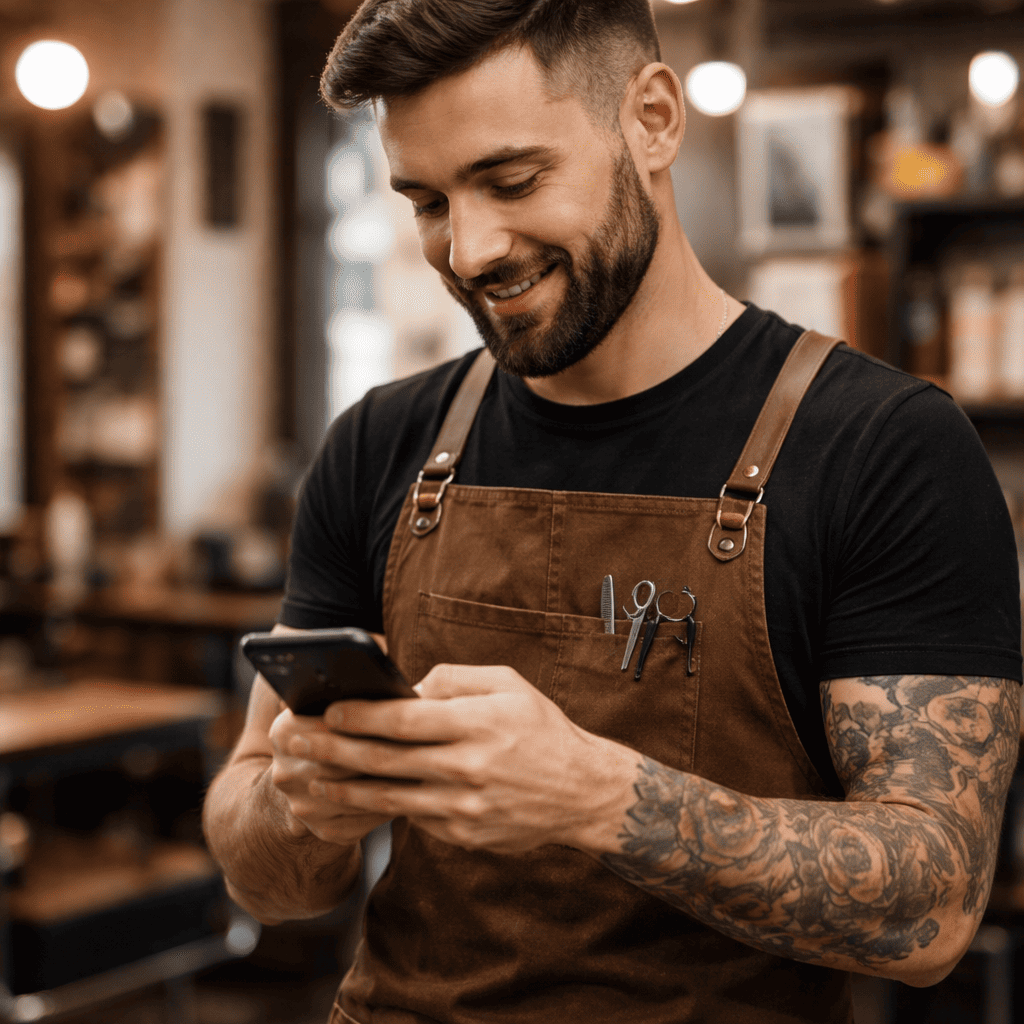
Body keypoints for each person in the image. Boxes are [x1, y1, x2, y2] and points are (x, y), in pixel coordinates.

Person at [203, 2, 1023, 1022]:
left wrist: (597, 797)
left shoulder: (882, 448)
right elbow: (266, 881)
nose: (469, 249)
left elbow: (931, 909)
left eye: (512, 181)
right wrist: (301, 807)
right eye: (425, 200)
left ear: (653, 119)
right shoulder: (380, 445)